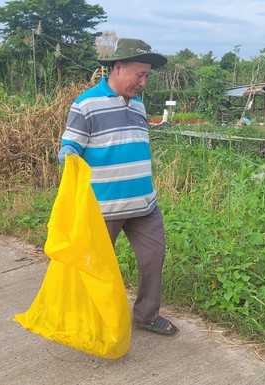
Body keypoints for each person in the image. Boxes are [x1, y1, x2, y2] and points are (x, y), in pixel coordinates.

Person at [57, 38, 178, 336]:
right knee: (95, 266)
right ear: (118, 67)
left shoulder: (137, 105)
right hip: (104, 208)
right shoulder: (86, 104)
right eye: (139, 74)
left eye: (147, 76)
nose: (143, 82)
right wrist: (68, 156)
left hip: (144, 205)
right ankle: (91, 317)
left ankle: (147, 316)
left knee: (153, 258)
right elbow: (70, 145)